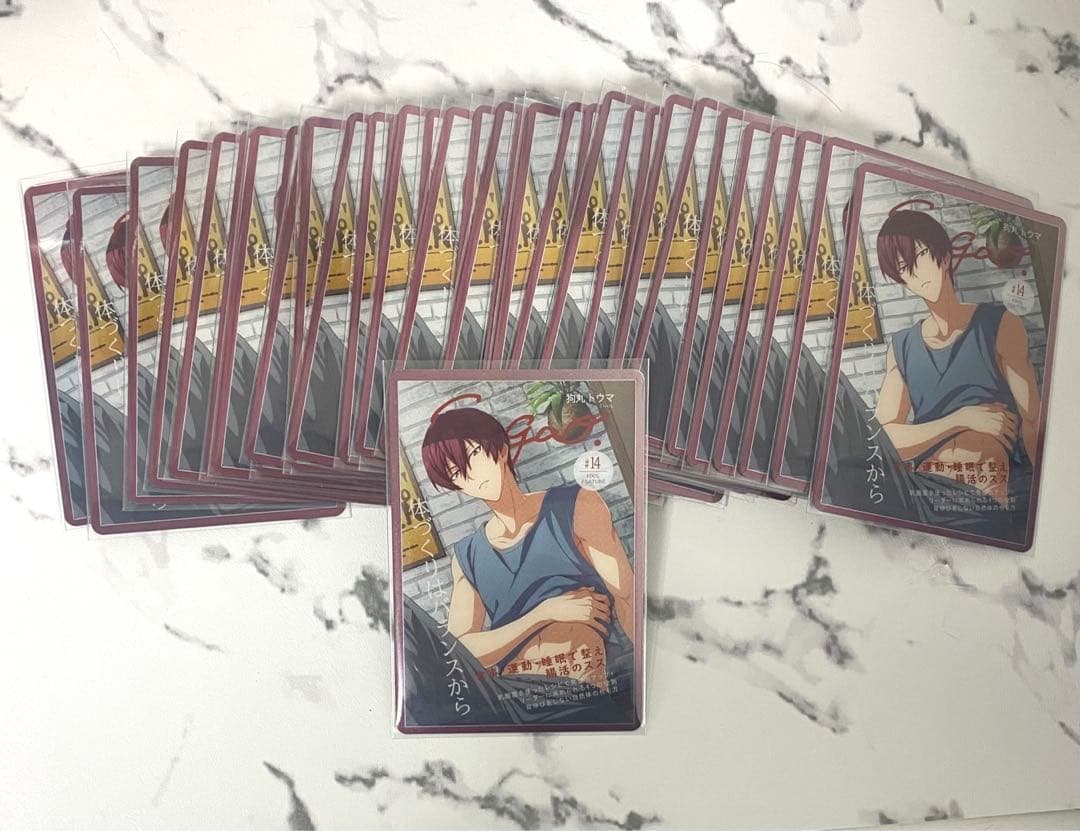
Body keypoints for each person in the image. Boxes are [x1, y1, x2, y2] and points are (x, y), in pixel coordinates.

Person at [421, 406, 635, 691]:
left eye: (474, 454)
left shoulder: (575, 506)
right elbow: (460, 649)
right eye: (456, 472)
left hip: (583, 680)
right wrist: (543, 613)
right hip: (515, 695)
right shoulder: (468, 555)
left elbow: (627, 596)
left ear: (500, 449)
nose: (471, 474)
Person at [873, 210, 1040, 507]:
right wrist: (960, 419)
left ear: (945, 255)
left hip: (988, 486)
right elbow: (884, 436)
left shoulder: (999, 325)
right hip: (928, 492)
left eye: (921, 255)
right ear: (902, 280)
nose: (917, 271)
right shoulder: (902, 347)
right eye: (904, 267)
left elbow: (1033, 420)